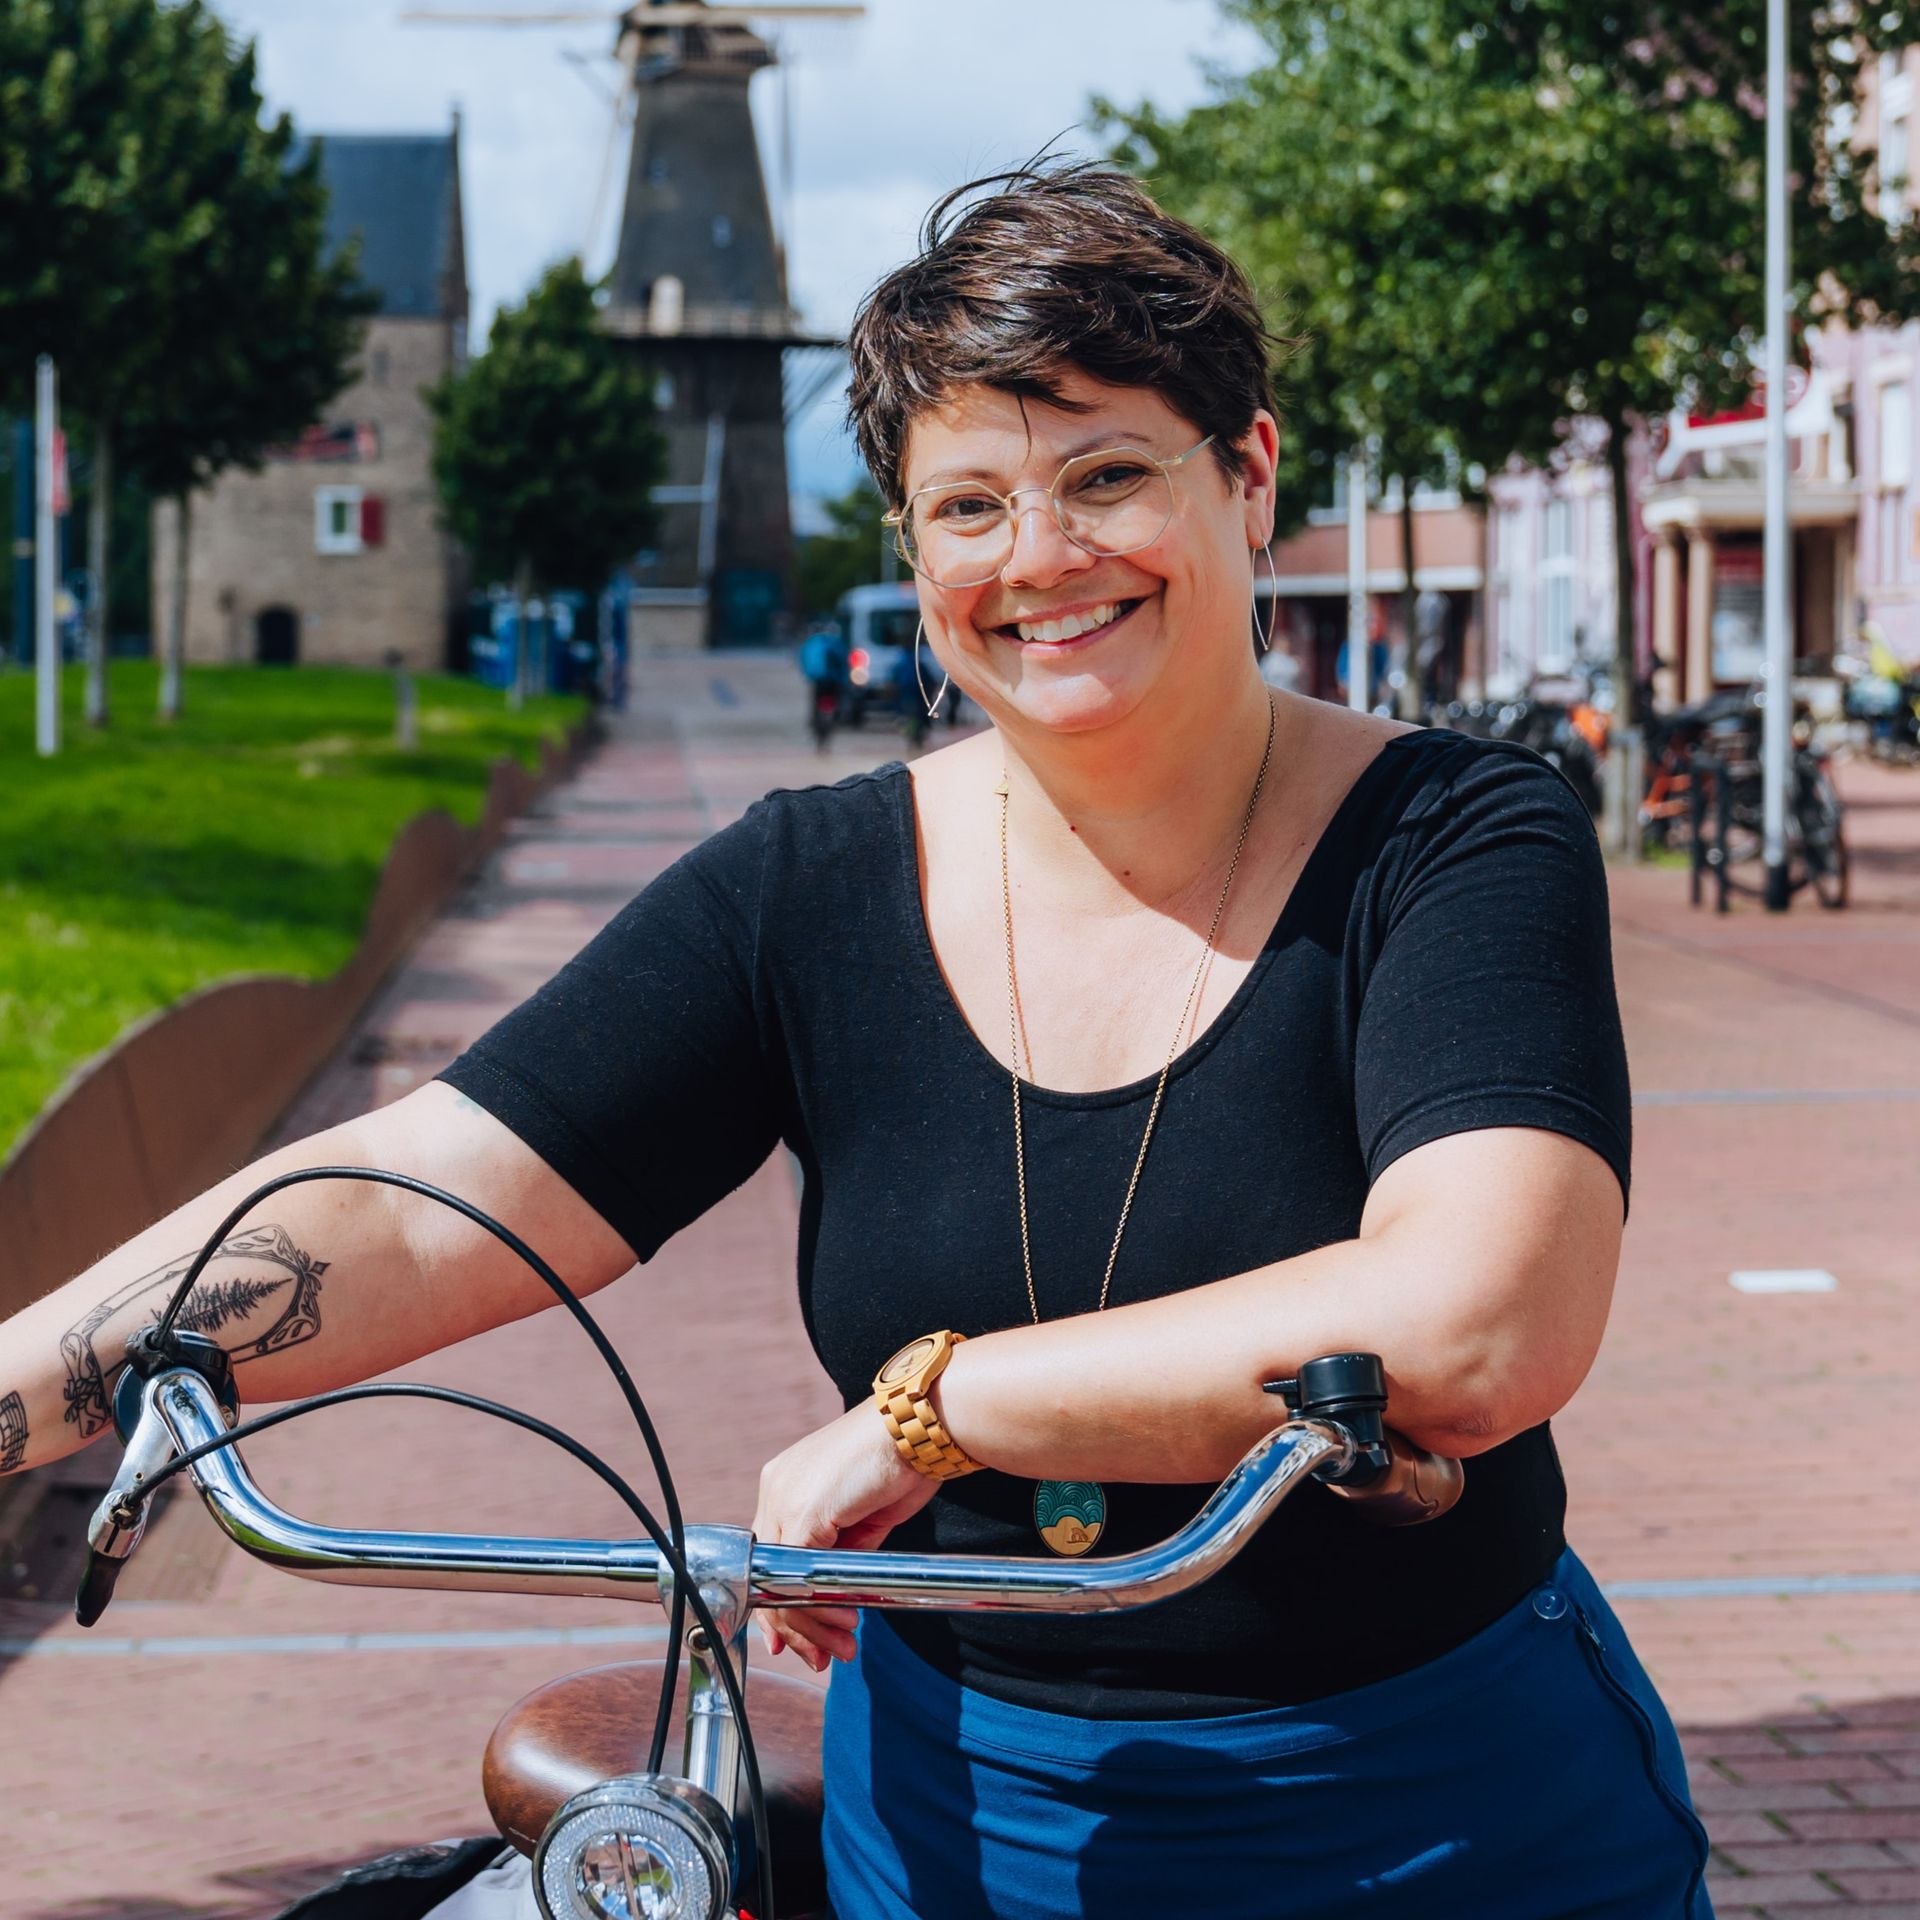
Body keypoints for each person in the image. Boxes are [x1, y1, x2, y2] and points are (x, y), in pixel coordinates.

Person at [0, 162, 1707, 1919]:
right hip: (961, 1835)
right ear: (911, 550)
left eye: (1108, 474)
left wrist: (930, 1415)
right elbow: (430, 1196)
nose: (1040, 558)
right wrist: (11, 1398)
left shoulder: (1454, 838)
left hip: (1431, 1822)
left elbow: (1479, 1319)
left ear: (1250, 476)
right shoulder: (806, 889)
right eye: (968, 507)